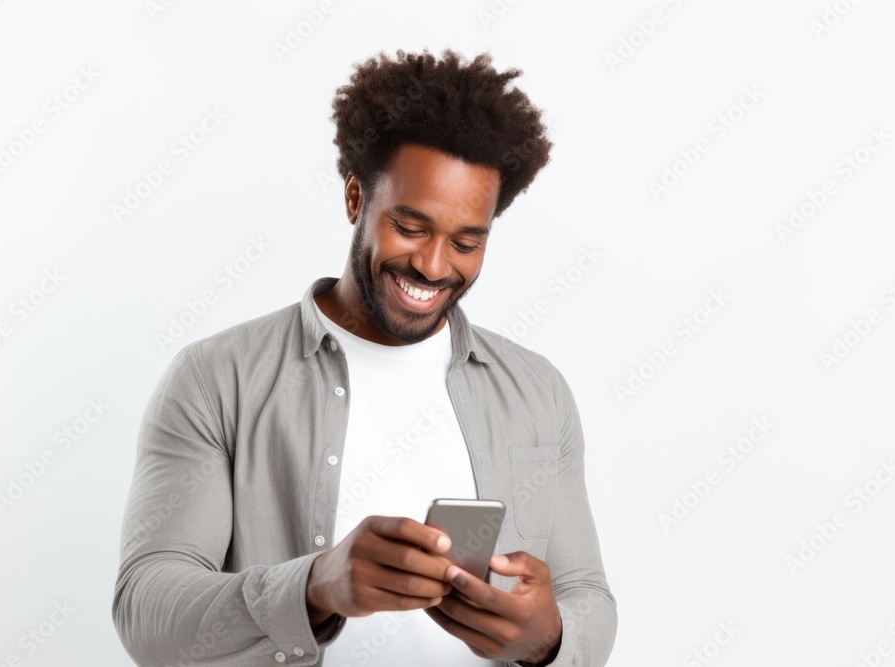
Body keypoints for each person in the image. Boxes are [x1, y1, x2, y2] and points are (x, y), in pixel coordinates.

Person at [112, 48, 616, 667]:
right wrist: (315, 585)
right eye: (410, 227)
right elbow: (146, 611)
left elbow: (587, 595)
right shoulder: (217, 379)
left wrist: (549, 639)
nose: (434, 266)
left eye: (466, 242)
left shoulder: (538, 391)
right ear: (355, 199)